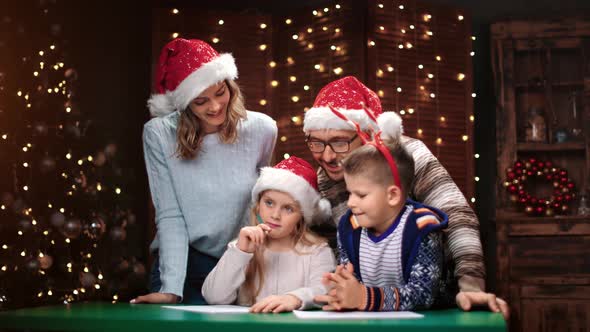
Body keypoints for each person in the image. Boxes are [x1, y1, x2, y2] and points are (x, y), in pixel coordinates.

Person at [305, 76, 509, 318]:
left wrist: (471, 286)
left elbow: (457, 215)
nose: (327, 156)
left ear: (367, 133)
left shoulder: (408, 156)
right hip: (373, 307)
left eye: (339, 142)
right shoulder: (327, 177)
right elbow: (341, 245)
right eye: (316, 142)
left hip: (429, 303)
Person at [131, 38, 277, 304]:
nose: (214, 106)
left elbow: (261, 201)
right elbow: (170, 213)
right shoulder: (160, 134)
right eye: (201, 101)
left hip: (238, 261)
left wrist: (249, 262)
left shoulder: (262, 129)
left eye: (220, 93)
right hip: (184, 265)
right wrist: (171, 288)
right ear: (184, 103)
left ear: (230, 84)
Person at [318, 134, 449, 311]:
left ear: (393, 195)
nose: (350, 203)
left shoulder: (421, 227)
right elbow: (353, 284)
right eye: (350, 193)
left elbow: (423, 295)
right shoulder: (349, 226)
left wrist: (364, 297)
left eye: (361, 195)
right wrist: (339, 291)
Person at [202, 156, 336, 312]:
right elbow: (213, 297)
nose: (275, 215)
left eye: (288, 208)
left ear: (302, 215)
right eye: (269, 203)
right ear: (258, 204)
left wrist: (295, 298)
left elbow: (325, 290)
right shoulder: (242, 247)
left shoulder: (317, 251)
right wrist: (240, 252)